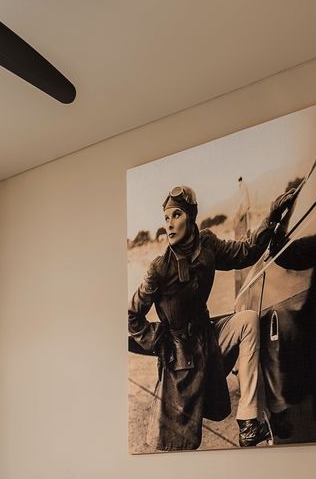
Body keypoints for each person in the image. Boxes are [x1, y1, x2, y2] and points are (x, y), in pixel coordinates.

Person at [128, 181, 300, 450]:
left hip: (209, 340)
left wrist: (271, 217)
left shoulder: (207, 243)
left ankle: (248, 423)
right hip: (181, 358)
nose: (170, 224)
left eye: (177, 215)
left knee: (248, 320)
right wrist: (161, 340)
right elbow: (131, 316)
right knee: (179, 444)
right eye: (166, 218)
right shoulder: (159, 268)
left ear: (191, 216)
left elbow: (246, 252)